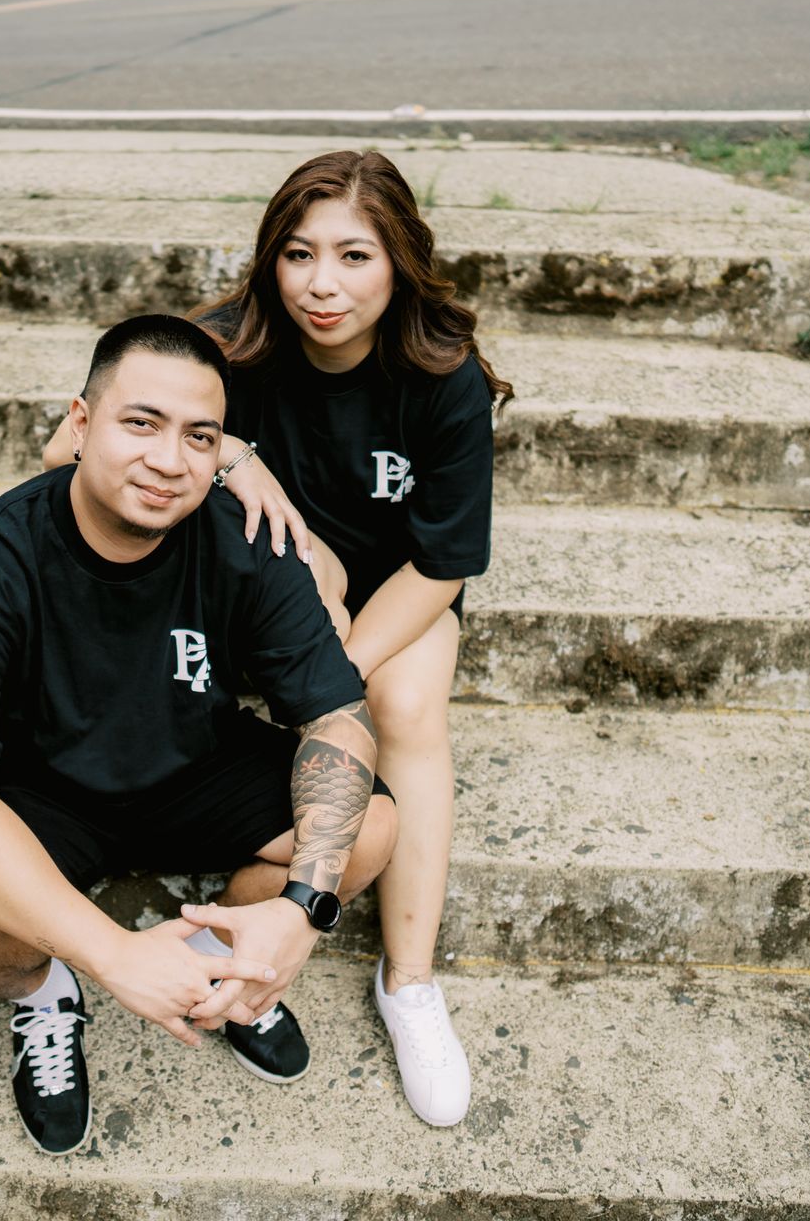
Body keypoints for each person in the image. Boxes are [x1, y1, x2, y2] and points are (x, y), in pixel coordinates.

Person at [43, 150, 512, 1127]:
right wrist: (232, 454)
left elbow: (442, 565)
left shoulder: (442, 374)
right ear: (271, 260)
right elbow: (63, 456)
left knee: (404, 704)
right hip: (248, 586)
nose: (322, 284)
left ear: (400, 262)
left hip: (390, 589)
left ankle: (410, 981)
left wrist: (331, 673)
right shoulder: (229, 342)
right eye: (299, 254)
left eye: (354, 255)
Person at [0, 313, 399, 1156]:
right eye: (141, 423)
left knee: (370, 827)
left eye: (199, 436)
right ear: (81, 424)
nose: (170, 460)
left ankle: (222, 966)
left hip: (195, 765)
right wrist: (112, 955)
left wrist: (302, 910)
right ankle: (47, 996)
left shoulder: (246, 539)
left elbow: (337, 716)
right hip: (44, 791)